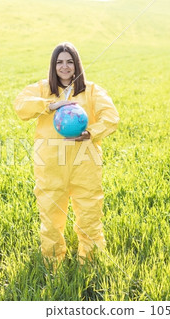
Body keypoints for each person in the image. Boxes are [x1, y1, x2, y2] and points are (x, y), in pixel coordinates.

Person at [14, 42, 119, 265]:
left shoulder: (91, 90)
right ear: (53, 66)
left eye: (69, 62)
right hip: (51, 165)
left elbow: (111, 118)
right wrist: (50, 105)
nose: (64, 66)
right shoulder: (43, 90)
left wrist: (90, 132)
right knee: (51, 219)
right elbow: (20, 106)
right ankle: (52, 264)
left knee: (90, 215)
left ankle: (90, 263)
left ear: (76, 64)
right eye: (59, 62)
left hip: (85, 163)